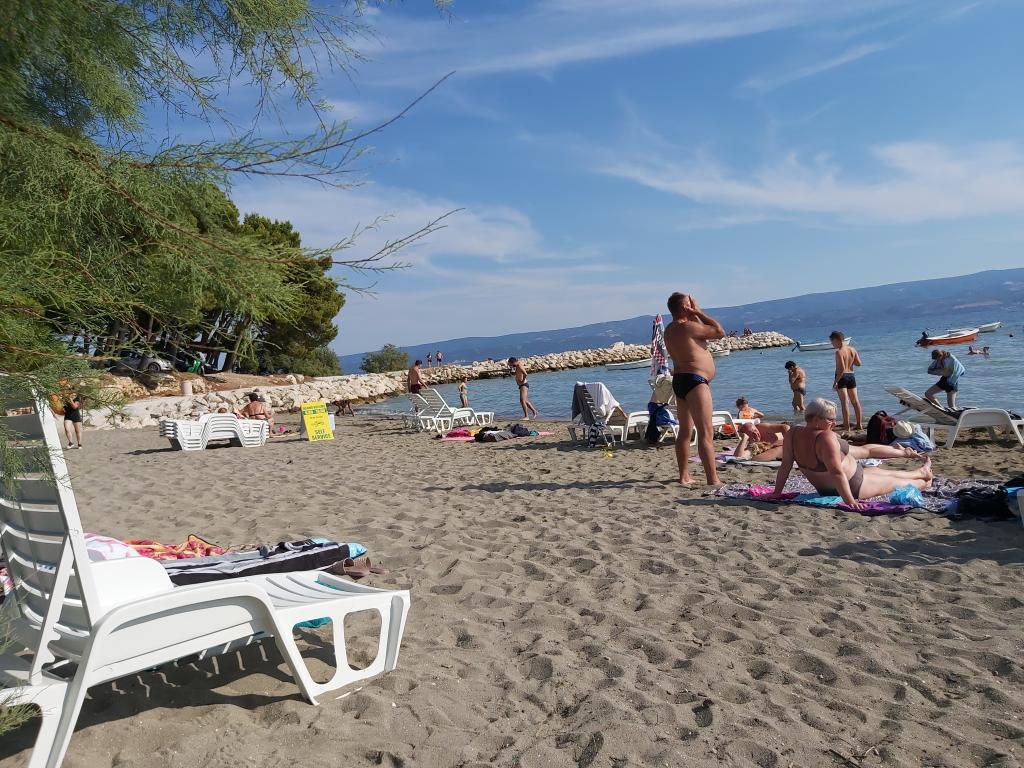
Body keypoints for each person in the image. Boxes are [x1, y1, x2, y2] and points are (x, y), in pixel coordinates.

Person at [769, 398, 932, 509]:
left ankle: (920, 472)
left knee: (881, 472)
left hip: (841, 482)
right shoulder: (825, 437)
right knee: (894, 482)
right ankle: (925, 481)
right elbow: (836, 472)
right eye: (830, 420)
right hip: (853, 487)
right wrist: (850, 501)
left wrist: (777, 492)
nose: (834, 423)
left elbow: (785, 465)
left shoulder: (793, 433)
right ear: (816, 419)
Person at [664, 292, 726, 487]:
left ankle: (684, 476)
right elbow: (719, 332)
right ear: (685, 307)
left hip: (680, 380)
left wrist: (693, 314)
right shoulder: (689, 327)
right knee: (705, 433)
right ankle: (713, 479)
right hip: (695, 381)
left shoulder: (670, 330)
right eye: (690, 304)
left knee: (685, 432)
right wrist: (698, 312)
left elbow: (699, 336)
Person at [830, 330, 862, 432]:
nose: (832, 344)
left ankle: (847, 426)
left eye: (832, 342)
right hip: (851, 376)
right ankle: (859, 424)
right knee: (855, 401)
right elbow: (859, 363)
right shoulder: (852, 349)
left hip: (842, 377)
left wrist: (835, 382)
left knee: (845, 403)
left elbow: (842, 369)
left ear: (837, 340)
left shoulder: (839, 352)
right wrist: (850, 360)